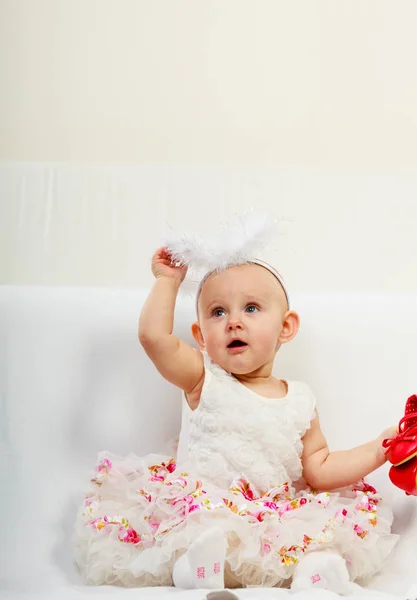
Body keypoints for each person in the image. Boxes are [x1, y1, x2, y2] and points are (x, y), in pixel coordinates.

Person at [74, 246, 398, 594]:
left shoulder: (300, 399)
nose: (234, 321)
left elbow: (321, 468)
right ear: (200, 337)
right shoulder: (203, 378)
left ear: (286, 327)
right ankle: (195, 569)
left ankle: (314, 573)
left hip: (270, 520)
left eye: (252, 308)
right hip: (204, 510)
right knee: (203, 532)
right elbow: (153, 338)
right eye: (218, 312)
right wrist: (168, 281)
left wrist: (380, 448)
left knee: (315, 535)